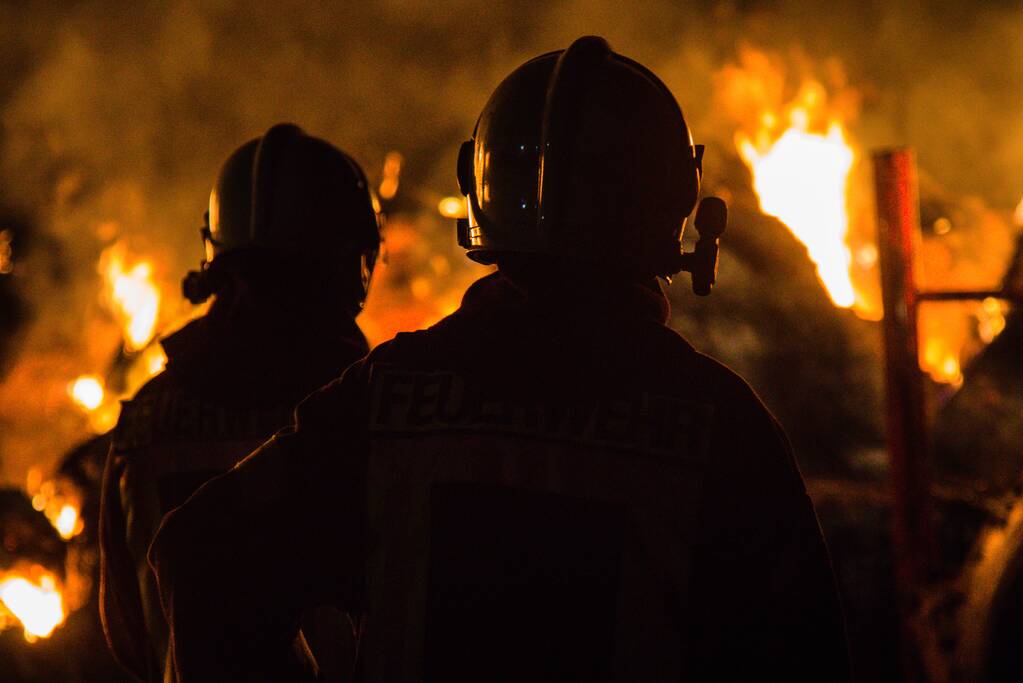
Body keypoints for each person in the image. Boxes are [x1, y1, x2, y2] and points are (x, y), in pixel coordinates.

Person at [150, 38, 850, 682]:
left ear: (481, 195)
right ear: (674, 207)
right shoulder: (721, 429)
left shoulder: (388, 401)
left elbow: (200, 555)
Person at [99, 123, 381, 682]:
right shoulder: (366, 410)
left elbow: (126, 635)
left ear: (216, 257)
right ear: (349, 262)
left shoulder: (144, 421)